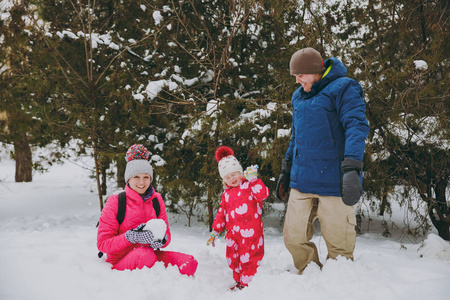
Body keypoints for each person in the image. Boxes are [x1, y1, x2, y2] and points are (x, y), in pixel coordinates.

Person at [276, 47, 369, 274]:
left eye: (300, 75)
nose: (297, 81)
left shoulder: (343, 88)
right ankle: (308, 273)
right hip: (302, 178)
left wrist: (352, 168)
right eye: (295, 76)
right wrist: (286, 169)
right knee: (293, 236)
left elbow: (356, 126)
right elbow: (296, 135)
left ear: (316, 71)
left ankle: (338, 281)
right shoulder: (298, 96)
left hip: (334, 180)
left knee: (340, 245)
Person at [97, 144, 198, 276]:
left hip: (149, 255)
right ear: (128, 179)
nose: (142, 182)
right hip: (120, 261)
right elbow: (103, 244)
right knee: (145, 256)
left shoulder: (156, 200)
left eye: (146, 177)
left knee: (189, 263)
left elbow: (166, 234)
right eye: (136, 177)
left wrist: (161, 239)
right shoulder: (116, 201)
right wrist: (131, 237)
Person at [207, 146, 269, 290]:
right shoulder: (226, 194)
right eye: (227, 177)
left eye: (234, 174)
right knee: (233, 259)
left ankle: (247, 285)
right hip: (233, 235)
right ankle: (238, 281)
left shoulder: (250, 186)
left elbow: (263, 194)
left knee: (249, 259)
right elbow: (222, 213)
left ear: (240, 173)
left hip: (251, 234)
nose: (231, 179)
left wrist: (254, 179)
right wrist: (215, 231)